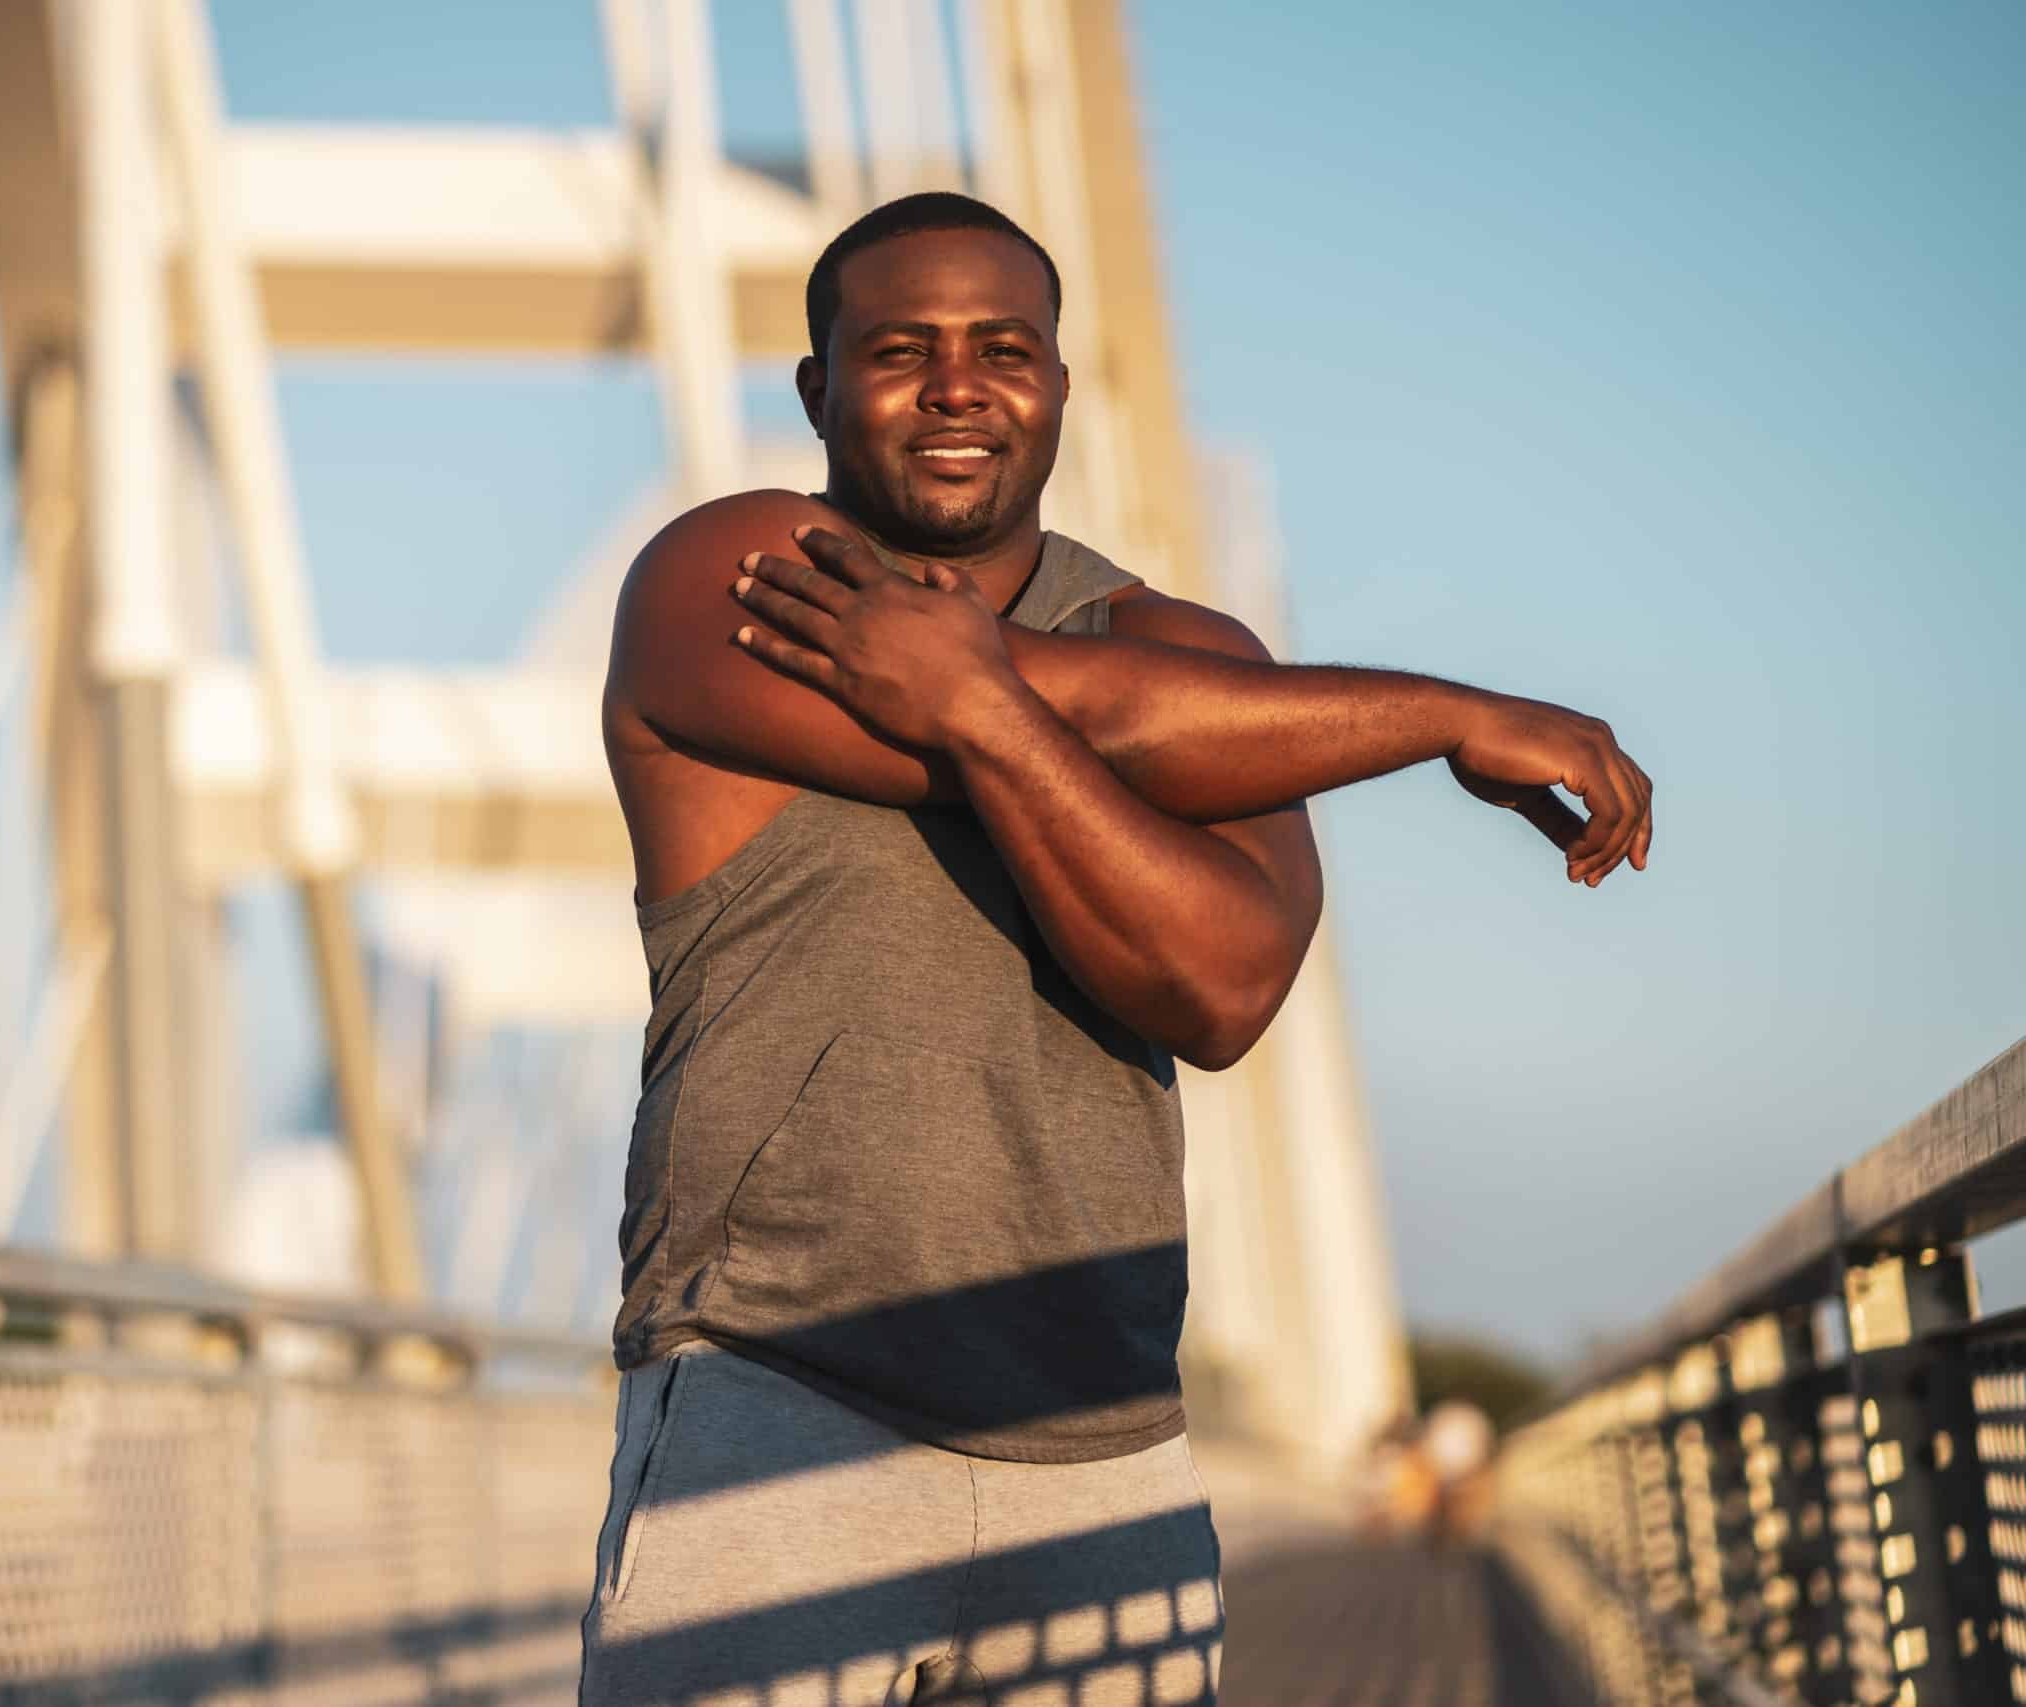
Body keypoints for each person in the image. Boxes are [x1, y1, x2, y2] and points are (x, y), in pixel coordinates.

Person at [581, 192, 1652, 1706]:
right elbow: (1129, 719)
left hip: (1105, 1461)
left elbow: (1221, 989)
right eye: (901, 350)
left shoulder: (1199, 657)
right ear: (817, 390)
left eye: (1004, 350)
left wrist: (972, 700)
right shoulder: (737, 574)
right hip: (773, 1412)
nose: (958, 388)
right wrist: (1443, 716)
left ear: (1062, 388)